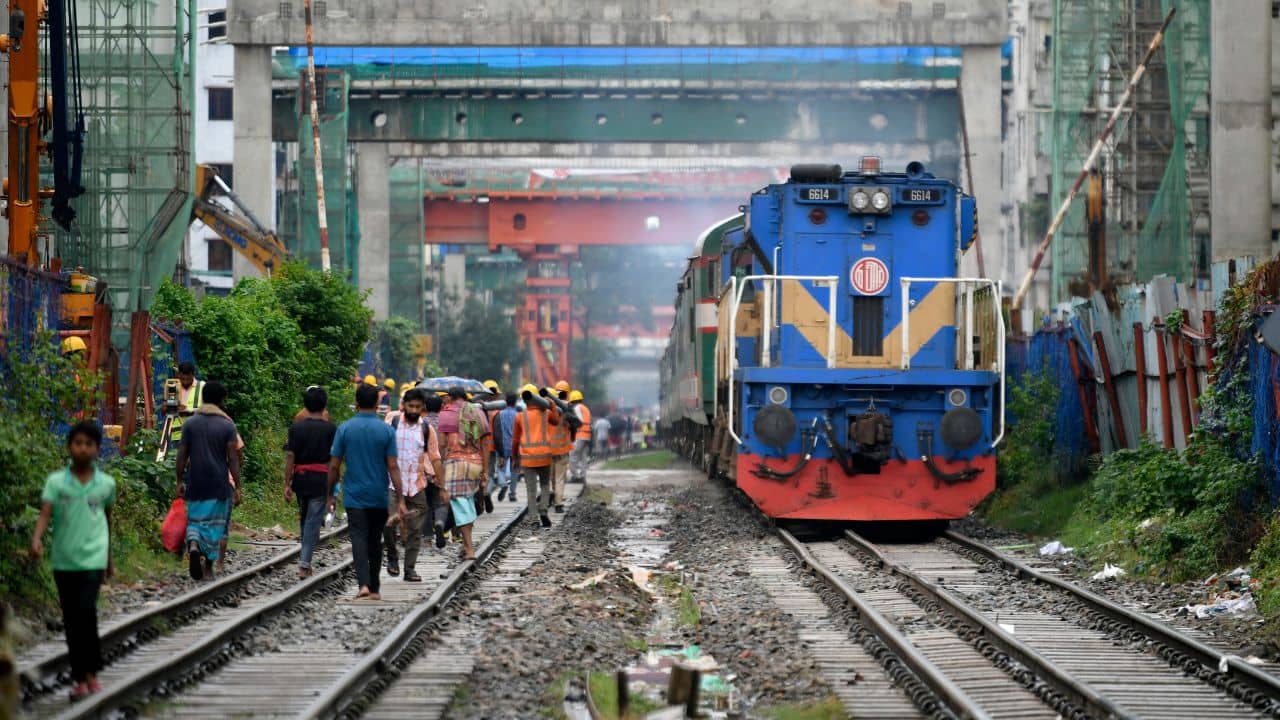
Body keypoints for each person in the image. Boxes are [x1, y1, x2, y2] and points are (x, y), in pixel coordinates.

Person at [30, 422, 115, 700]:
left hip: (93, 559)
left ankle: (89, 674)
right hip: (64, 560)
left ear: (97, 449)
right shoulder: (56, 482)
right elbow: (45, 513)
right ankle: (81, 677)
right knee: (71, 619)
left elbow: (108, 519)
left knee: (86, 613)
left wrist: (109, 558)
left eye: (89, 444)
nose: (83, 448)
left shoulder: (106, 484)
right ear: (69, 447)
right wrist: (37, 539)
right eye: (78, 443)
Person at [327, 384, 401, 601]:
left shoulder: (345, 429)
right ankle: (376, 588)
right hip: (379, 495)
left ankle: (363, 585)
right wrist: (402, 497)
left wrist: (330, 494)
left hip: (354, 495)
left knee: (358, 538)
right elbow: (393, 466)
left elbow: (333, 466)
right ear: (377, 404)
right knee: (375, 539)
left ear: (356, 403)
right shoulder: (386, 430)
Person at [174, 381, 240, 581]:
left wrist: (179, 479)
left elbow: (182, 454)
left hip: (195, 481)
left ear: (203, 397)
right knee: (215, 525)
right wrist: (238, 485)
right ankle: (209, 567)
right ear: (221, 400)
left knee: (195, 519)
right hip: (219, 483)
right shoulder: (227, 425)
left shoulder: (191, 424)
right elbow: (233, 458)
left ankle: (193, 544)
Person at [383, 389, 442, 582]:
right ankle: (392, 556)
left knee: (415, 530)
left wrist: (442, 486)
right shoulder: (392, 423)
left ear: (422, 408)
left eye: (418, 407)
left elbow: (435, 457)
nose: (414, 410)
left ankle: (409, 569)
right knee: (389, 523)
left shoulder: (426, 429)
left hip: (417, 485)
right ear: (404, 405)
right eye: (411, 406)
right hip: (393, 484)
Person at [284, 386, 336, 579]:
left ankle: (305, 553)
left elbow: (290, 457)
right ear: (324, 406)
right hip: (320, 479)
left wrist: (287, 483)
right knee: (312, 521)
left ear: (305, 404)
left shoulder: (296, 428)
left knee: (306, 516)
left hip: (301, 478)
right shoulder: (330, 428)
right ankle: (304, 563)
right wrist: (332, 488)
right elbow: (333, 461)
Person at [437, 386, 491, 560]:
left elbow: (442, 445)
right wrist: (486, 470)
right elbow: (485, 445)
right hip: (475, 464)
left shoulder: (446, 413)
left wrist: (440, 469)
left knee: (461, 506)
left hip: (455, 465)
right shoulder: (478, 413)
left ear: (451, 398)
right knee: (467, 503)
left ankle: (469, 548)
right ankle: (465, 545)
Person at [513, 384, 560, 529]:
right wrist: (552, 405)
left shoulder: (520, 416)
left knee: (531, 490)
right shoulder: (545, 413)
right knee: (545, 486)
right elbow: (556, 421)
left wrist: (515, 458)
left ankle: (533, 519)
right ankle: (544, 511)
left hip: (527, 459)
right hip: (545, 456)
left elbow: (515, 440)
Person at [548, 381, 575, 513]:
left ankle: (552, 494)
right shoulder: (568, 408)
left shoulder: (549, 406)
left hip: (549, 449)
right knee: (560, 478)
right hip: (563, 448)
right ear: (567, 393)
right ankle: (558, 503)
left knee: (551, 476)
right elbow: (574, 425)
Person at [492, 393, 520, 502]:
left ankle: (503, 483)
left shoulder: (499, 414)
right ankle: (512, 494)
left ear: (505, 401)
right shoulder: (519, 415)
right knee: (515, 470)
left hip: (502, 446)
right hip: (515, 446)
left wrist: (499, 449)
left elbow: (496, 432)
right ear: (515, 402)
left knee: (500, 468)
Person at [568, 390, 592, 483]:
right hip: (587, 435)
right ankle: (582, 477)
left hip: (579, 435)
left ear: (573, 401)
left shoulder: (577, 408)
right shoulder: (585, 408)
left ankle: (574, 476)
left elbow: (577, 421)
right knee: (583, 457)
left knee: (573, 456)